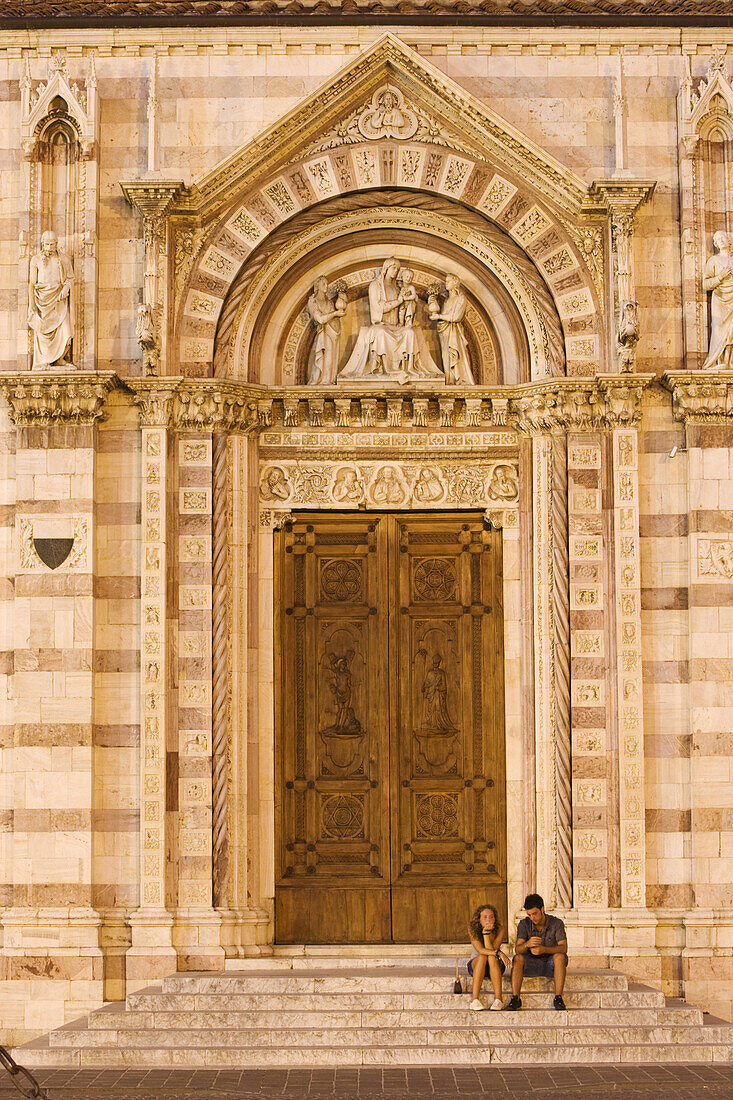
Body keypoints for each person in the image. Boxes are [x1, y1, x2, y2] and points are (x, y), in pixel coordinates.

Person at [505, 893, 568, 1012]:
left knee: (560, 957)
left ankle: (558, 997)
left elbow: (564, 948)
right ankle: (515, 998)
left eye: (535, 914)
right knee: (518, 958)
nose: (532, 918)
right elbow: (518, 949)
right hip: (531, 963)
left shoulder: (556, 923)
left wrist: (544, 949)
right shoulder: (524, 924)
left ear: (542, 909)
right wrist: (527, 944)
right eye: (529, 915)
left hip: (550, 964)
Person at [28, 230, 74, 368]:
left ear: (56, 244)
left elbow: (70, 278)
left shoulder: (63, 259)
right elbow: (31, 283)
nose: (49, 247)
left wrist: (66, 287)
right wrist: (31, 305)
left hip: (59, 300)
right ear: (42, 244)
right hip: (42, 299)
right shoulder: (35, 260)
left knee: (65, 329)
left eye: (52, 244)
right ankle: (44, 361)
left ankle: (60, 359)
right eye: (46, 244)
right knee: (43, 330)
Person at [467, 903, 511, 1012]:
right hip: (477, 965)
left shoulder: (500, 929)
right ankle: (475, 999)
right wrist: (500, 953)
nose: (489, 920)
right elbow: (481, 950)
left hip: (494, 965)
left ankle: (498, 999)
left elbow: (493, 949)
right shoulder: (472, 929)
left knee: (491, 956)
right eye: (485, 917)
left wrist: (487, 934)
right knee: (483, 956)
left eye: (491, 917)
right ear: (479, 919)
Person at [702, 230, 733, 370]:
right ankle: (719, 360)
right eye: (717, 239)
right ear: (715, 244)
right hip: (720, 299)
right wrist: (720, 277)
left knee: (732, 330)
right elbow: (705, 284)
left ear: (728, 240)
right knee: (720, 329)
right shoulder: (713, 261)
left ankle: (729, 361)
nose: (721, 240)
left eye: (723, 237)